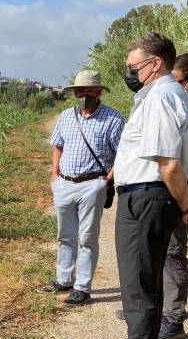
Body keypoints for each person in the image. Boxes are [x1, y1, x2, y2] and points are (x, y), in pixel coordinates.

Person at [88, 33, 188, 339]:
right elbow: (185, 159)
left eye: (133, 66)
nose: (129, 72)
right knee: (146, 282)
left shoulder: (160, 97)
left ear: (155, 63)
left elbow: (170, 164)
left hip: (145, 198)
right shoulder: (169, 96)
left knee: (139, 287)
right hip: (148, 198)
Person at [114, 53, 188, 339]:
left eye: (176, 81)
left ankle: (172, 318)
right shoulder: (187, 102)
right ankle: (151, 317)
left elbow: (178, 158)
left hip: (176, 188)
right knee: (156, 256)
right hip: (173, 186)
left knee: (172, 253)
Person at [38, 70, 124, 306]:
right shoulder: (66, 116)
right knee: (64, 236)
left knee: (87, 237)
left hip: (93, 184)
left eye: (87, 91)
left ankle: (82, 287)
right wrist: (55, 174)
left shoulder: (113, 119)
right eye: (79, 91)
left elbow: (123, 154)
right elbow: (57, 145)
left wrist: (107, 179)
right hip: (64, 183)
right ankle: (63, 279)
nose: (83, 95)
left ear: (98, 91)